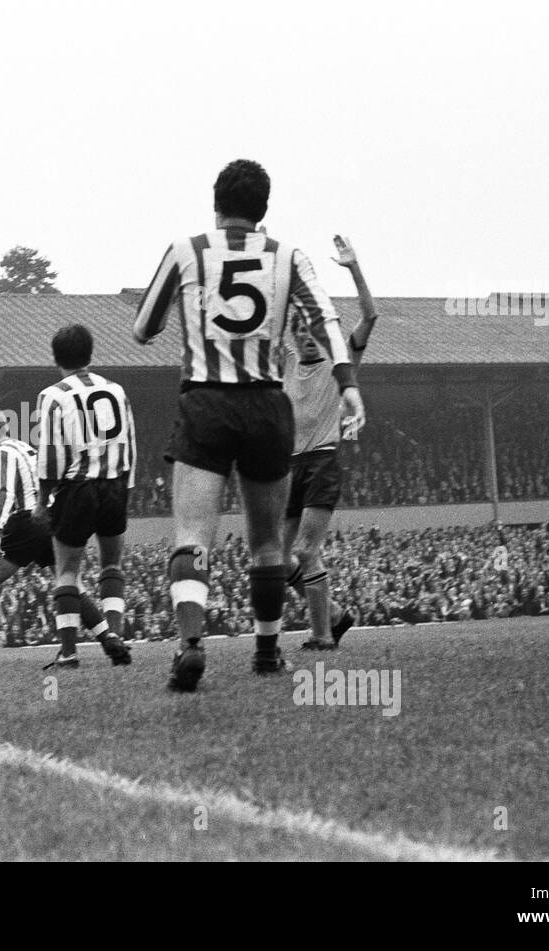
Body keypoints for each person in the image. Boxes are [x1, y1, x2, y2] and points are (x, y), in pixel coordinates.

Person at [134, 158, 365, 691]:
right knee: (267, 544)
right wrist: (348, 383)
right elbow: (326, 319)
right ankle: (266, 654)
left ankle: (192, 645)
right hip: (266, 404)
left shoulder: (186, 251)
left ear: (216, 205)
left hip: (206, 402)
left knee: (193, 536)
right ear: (263, 210)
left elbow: (144, 327)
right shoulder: (287, 257)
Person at [0, 403, 128, 666]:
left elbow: (5, 492)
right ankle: (108, 638)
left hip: (25, 521)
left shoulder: (1, 453)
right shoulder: (25, 447)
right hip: (50, 519)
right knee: (69, 582)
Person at [282, 234, 379, 650]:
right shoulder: (283, 363)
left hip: (322, 461)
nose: (307, 336)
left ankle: (322, 635)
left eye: (311, 330)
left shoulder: (339, 363)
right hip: (288, 468)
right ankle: (335, 615)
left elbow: (371, 316)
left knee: (306, 551)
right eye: (299, 330)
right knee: (277, 559)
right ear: (291, 336)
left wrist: (354, 268)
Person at [33, 324, 137, 668]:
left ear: (55, 358)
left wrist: (43, 499)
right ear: (90, 353)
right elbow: (129, 443)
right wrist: (127, 487)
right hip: (115, 484)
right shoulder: (117, 390)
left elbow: (50, 456)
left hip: (78, 487)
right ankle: (116, 636)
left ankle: (69, 652)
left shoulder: (54, 395)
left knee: (67, 572)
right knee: (112, 564)